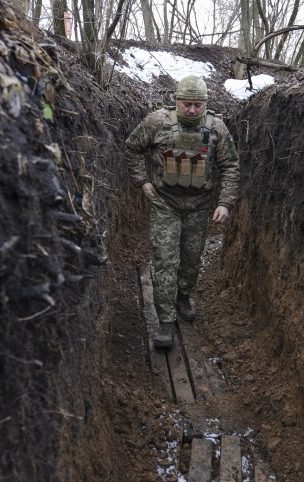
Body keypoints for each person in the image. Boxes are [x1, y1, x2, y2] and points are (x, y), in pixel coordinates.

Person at [125, 75, 239, 349]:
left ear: (205, 104)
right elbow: (132, 148)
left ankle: (183, 296)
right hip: (165, 203)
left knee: (190, 259)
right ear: (176, 101)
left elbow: (231, 166)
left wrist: (225, 202)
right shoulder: (157, 122)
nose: (191, 110)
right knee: (165, 260)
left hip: (199, 206)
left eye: (197, 105)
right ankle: (165, 322)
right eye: (186, 104)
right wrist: (143, 182)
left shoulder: (217, 128)